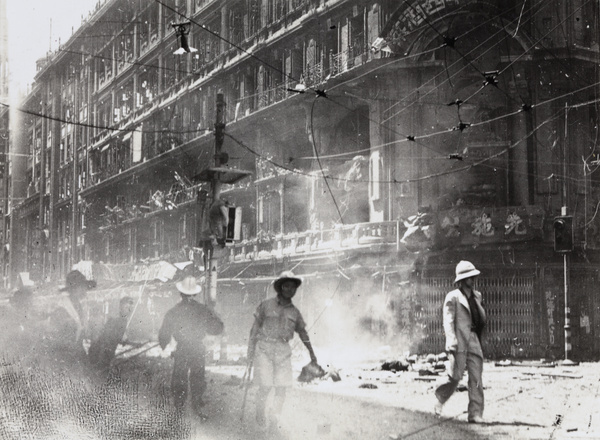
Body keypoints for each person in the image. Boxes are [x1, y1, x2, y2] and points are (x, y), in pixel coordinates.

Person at [247, 271, 318, 427]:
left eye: (293, 287)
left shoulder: (295, 312)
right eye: (286, 286)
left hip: (283, 350)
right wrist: (250, 351)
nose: (290, 290)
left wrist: (312, 353)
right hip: (264, 348)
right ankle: (260, 410)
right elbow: (254, 329)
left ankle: (275, 416)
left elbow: (303, 332)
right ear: (280, 288)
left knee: (282, 387)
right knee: (265, 385)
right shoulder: (265, 305)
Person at [158, 276, 224, 414]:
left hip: (182, 348)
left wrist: (163, 343)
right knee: (198, 376)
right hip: (197, 348)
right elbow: (217, 328)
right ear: (195, 293)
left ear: (181, 293)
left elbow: (164, 331)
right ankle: (197, 403)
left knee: (179, 377)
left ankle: (179, 407)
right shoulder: (203, 309)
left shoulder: (174, 311)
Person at [434, 260, 486, 423]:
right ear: (462, 280)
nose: (472, 279)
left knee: (476, 377)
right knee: (455, 377)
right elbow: (448, 321)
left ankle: (475, 413)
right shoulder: (453, 297)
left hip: (473, 339)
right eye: (469, 277)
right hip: (459, 341)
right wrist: (451, 341)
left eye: (473, 276)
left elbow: (479, 318)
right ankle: (440, 399)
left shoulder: (477, 296)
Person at [43, 270, 97, 368]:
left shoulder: (78, 305)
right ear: (76, 288)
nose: (85, 290)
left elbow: (80, 332)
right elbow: (58, 340)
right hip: (63, 359)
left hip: (76, 354)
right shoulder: (62, 308)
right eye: (83, 287)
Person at [88, 296, 135, 373]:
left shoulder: (122, 320)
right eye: (126, 307)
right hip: (101, 352)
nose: (129, 310)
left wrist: (132, 343)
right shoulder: (116, 319)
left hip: (105, 352)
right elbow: (109, 337)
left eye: (130, 308)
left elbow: (119, 337)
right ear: (120, 307)